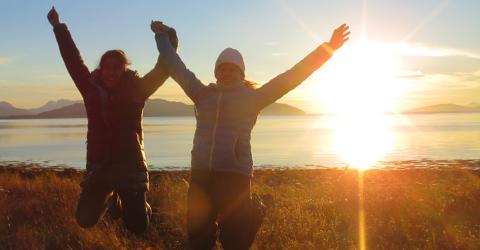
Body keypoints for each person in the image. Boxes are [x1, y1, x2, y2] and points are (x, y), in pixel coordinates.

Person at [152, 21, 350, 249]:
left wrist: (329, 48)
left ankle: (254, 212)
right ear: (216, 72)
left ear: (241, 73)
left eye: (231, 69)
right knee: (198, 238)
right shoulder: (202, 94)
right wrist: (162, 37)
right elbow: (177, 68)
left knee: (234, 241)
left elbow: (292, 77)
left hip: (234, 175)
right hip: (202, 174)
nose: (226, 73)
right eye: (221, 69)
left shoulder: (252, 98)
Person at [47, 7, 178, 234]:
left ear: (124, 68)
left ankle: (140, 205)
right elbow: (73, 60)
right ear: (102, 68)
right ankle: (111, 199)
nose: (111, 72)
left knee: (137, 226)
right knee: (85, 219)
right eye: (107, 67)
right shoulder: (90, 89)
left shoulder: (137, 89)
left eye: (117, 68)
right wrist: (58, 27)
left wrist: (169, 36)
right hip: (100, 167)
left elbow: (165, 66)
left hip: (131, 166)